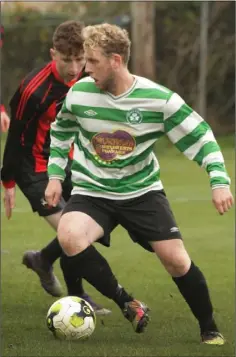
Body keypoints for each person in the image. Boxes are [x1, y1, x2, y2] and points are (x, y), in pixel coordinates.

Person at [45, 23, 234, 344]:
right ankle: (126, 301)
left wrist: (219, 181)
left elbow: (201, 137)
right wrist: (54, 174)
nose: (85, 69)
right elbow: (61, 130)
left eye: (92, 62)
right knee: (69, 235)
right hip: (93, 192)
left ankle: (209, 327)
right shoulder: (79, 93)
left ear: (116, 60)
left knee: (175, 260)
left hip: (142, 194)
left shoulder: (159, 100)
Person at [1, 20, 111, 315]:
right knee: (71, 233)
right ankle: (79, 299)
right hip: (33, 168)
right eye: (67, 60)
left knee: (95, 225)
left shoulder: (87, 79)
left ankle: (43, 259)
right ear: (53, 54)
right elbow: (15, 137)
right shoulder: (32, 90)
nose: (74, 68)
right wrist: (8, 183)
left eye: (80, 60)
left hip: (65, 162)